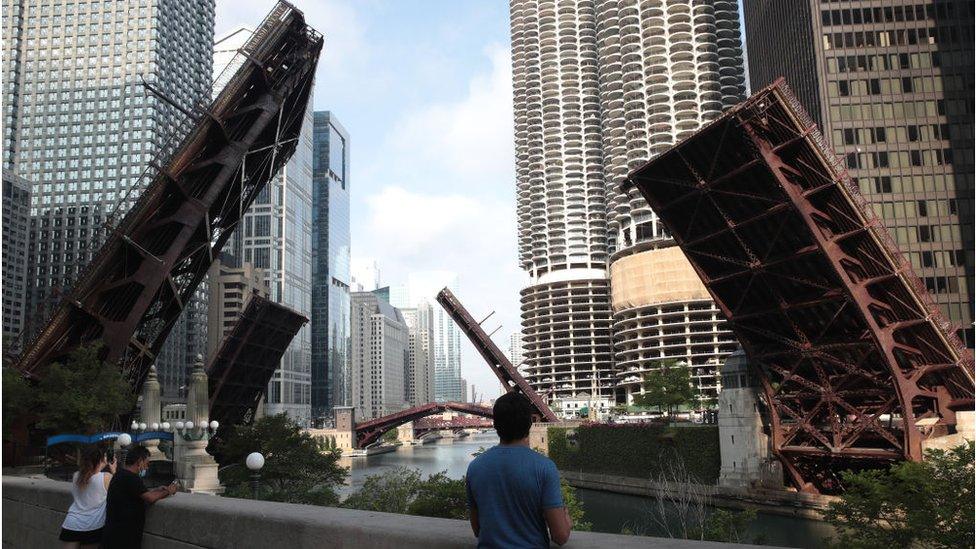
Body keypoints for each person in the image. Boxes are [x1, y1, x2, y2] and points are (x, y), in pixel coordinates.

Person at [466, 392, 572, 548]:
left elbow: (477, 529)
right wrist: (567, 519)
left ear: (495, 425)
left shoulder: (475, 467)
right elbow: (560, 536)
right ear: (530, 423)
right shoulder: (544, 467)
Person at [101, 445, 177, 549]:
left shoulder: (120, 474)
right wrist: (169, 490)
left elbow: (137, 492)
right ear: (139, 461)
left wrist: (156, 490)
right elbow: (150, 498)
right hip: (123, 536)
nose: (147, 467)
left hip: (114, 532)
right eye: (147, 463)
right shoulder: (131, 478)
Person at [60, 445, 116, 548]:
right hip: (93, 525)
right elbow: (120, 488)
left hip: (72, 523)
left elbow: (89, 474)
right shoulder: (107, 477)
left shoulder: (76, 475)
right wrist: (114, 470)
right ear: (102, 459)